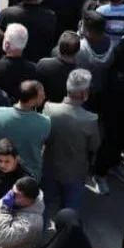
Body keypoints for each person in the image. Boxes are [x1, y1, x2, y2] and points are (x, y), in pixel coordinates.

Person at [42, 70, 101, 214]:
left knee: (44, 207)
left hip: (49, 168)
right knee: (70, 212)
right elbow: (94, 145)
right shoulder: (90, 119)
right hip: (75, 173)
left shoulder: (49, 108)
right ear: (84, 93)